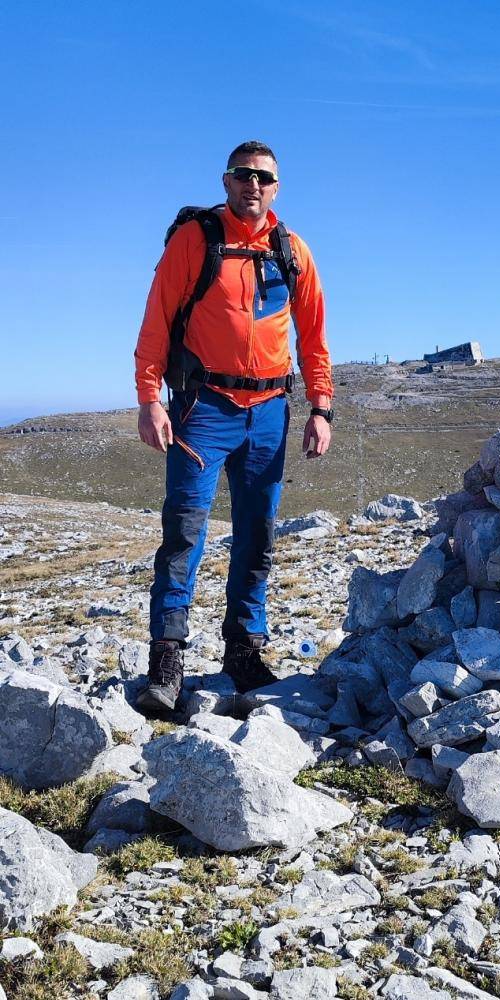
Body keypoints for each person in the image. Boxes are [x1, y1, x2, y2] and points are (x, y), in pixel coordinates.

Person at [133, 140, 333, 711]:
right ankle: (167, 658)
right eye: (244, 175)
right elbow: (156, 322)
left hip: (270, 411)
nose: (253, 185)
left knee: (258, 534)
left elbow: (314, 337)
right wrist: (149, 399)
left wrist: (321, 407)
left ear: (276, 187)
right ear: (226, 181)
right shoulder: (195, 240)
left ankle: (244, 650)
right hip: (204, 408)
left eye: (264, 178)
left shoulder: (292, 250)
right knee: (185, 531)